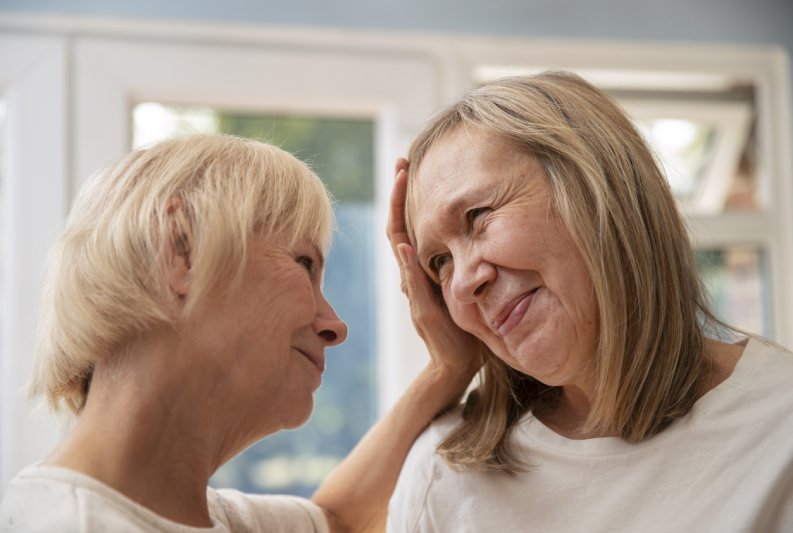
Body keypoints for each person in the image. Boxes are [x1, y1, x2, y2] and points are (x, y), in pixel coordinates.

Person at [386, 71, 793, 531]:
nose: (462, 284)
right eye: (439, 262)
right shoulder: (441, 479)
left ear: (597, 188)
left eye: (478, 215)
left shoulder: (787, 429)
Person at [0, 134, 477, 532]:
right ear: (182, 248)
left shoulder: (192, 515)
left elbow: (336, 521)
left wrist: (448, 368)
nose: (334, 325)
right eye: (303, 263)